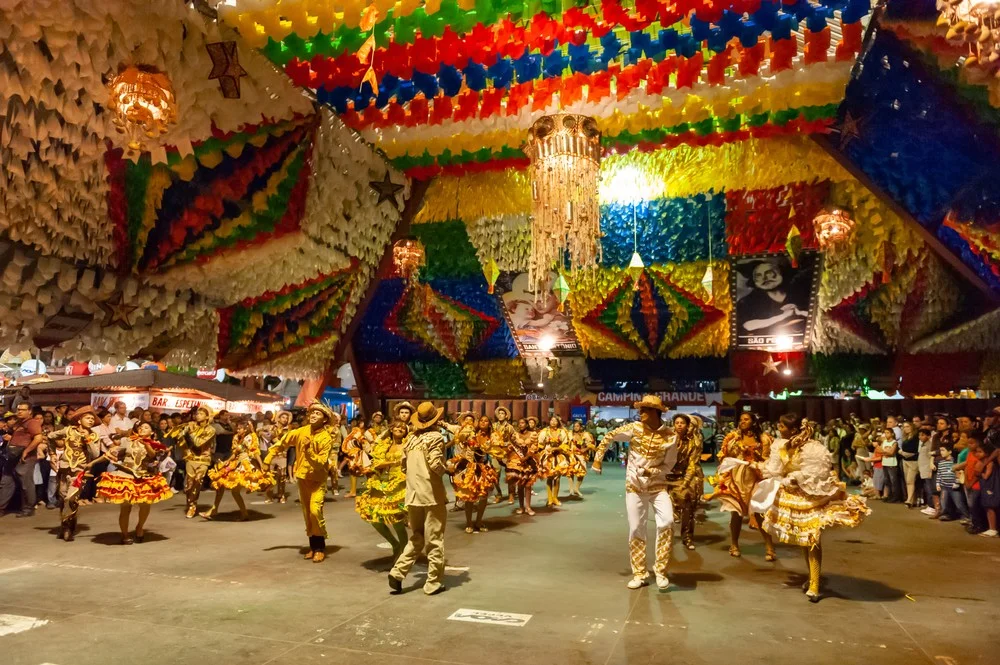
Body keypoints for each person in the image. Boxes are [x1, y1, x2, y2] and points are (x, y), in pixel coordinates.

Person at [758, 414, 869, 602]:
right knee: (805, 539)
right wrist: (762, 469)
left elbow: (815, 473)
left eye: (782, 426)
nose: (779, 428)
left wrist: (794, 478)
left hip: (811, 497)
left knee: (813, 538)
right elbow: (775, 469)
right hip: (792, 497)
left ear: (793, 430)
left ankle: (815, 584)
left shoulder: (812, 448)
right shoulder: (781, 445)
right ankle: (812, 578)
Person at [592, 395, 678, 591]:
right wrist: (598, 459)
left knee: (667, 522)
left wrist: (653, 472)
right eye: (641, 409)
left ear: (655, 412)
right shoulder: (634, 428)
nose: (640, 413)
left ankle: (661, 570)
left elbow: (669, 465)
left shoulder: (670, 436)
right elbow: (609, 436)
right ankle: (639, 573)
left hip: (658, 487)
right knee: (636, 528)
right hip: (635, 487)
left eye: (645, 409)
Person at [263, 401, 338, 562]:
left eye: (318, 414)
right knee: (307, 513)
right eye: (313, 413)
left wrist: (309, 450)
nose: (314, 416)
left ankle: (320, 547)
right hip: (302, 477)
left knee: (315, 511)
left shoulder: (326, 438)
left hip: (318, 479)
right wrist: (268, 458)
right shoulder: (300, 431)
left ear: (324, 419)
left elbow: (320, 462)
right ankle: (313, 547)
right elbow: (282, 443)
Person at [388, 402, 448, 596]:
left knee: (417, 537)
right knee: (435, 539)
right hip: (431, 494)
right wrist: (450, 469)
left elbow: (404, 466)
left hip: (412, 494)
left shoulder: (411, 439)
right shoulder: (436, 438)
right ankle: (433, 583)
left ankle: (398, 573)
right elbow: (435, 464)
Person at [704, 411, 776, 560]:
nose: (742, 422)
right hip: (736, 479)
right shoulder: (733, 438)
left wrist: (755, 456)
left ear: (753, 422)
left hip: (756, 478)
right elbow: (725, 456)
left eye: (746, 419)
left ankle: (769, 547)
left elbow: (769, 460)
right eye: (741, 419)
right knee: (736, 514)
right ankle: (734, 544)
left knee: (759, 513)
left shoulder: (764, 439)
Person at [96, 422, 174, 544]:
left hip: (145, 475)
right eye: (141, 427)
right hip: (126, 474)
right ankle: (125, 534)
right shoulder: (127, 440)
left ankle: (139, 527)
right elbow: (115, 450)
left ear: (152, 432)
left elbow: (153, 456)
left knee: (145, 504)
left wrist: (146, 444)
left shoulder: (156, 444)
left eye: (146, 427)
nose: (142, 429)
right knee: (125, 507)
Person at [46, 406, 102, 541]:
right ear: (79, 420)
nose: (90, 420)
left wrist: (88, 439)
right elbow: (50, 436)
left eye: (92, 418)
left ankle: (67, 527)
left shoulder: (94, 435)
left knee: (70, 498)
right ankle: (66, 523)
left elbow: (95, 454)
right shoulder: (68, 430)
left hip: (80, 471)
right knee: (62, 497)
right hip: (65, 468)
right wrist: (52, 453)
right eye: (87, 418)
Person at [357, 419, 409, 561]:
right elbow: (376, 463)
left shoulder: (408, 445)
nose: (399, 429)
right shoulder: (383, 445)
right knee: (375, 519)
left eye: (403, 428)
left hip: (399, 485)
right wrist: (390, 463)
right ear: (391, 429)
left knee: (397, 521)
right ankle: (395, 544)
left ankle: (404, 555)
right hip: (380, 484)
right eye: (397, 427)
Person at [201, 419, 272, 521]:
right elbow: (235, 453)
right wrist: (227, 461)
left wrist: (262, 465)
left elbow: (255, 452)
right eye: (237, 428)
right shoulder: (236, 437)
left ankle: (243, 513)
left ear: (245, 429)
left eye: (240, 429)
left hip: (244, 465)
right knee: (220, 484)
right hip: (235, 463)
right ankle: (215, 509)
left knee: (235, 491)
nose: (238, 430)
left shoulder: (250, 437)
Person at [449, 415, 498, 533]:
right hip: (470, 467)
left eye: (486, 421)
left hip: (484, 467)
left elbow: (497, 448)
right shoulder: (471, 433)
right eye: (481, 420)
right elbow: (459, 438)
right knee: (469, 497)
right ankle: (469, 522)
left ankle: (479, 521)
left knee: (484, 496)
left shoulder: (493, 436)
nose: (483, 422)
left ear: (489, 424)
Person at [665, 414, 703, 551]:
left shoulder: (693, 441)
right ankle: (666, 538)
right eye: (677, 422)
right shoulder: (667, 437)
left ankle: (687, 537)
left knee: (688, 504)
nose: (679, 425)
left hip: (683, 476)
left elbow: (692, 464)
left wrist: (686, 483)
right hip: (664, 477)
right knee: (666, 511)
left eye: (682, 423)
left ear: (687, 426)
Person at [0, 402, 44, 517]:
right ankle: (1, 508)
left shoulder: (32, 422)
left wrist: (27, 451)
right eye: (19, 409)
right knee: (6, 481)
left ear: (29, 411)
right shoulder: (20, 423)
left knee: (26, 483)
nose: (19, 411)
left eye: (23, 410)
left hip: (26, 457)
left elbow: (38, 438)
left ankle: (28, 508)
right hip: (13, 455)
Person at [176, 406, 217, 518]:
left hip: (203, 459)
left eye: (201, 414)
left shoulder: (211, 430)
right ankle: (190, 503)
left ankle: (192, 506)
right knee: (190, 484)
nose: (197, 415)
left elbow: (198, 443)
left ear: (207, 417)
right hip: (191, 458)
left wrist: (190, 431)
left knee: (198, 480)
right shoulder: (191, 425)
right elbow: (180, 439)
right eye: (197, 413)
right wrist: (182, 432)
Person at [506, 417, 539, 516]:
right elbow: (511, 446)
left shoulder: (533, 434)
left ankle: (528, 507)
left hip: (529, 461)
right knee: (520, 485)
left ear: (527, 424)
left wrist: (526, 457)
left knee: (528, 485)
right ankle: (521, 507)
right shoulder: (515, 435)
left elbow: (534, 447)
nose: (520, 424)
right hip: (518, 462)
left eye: (522, 423)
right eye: (519, 423)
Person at [538, 415, 571, 507]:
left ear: (558, 422)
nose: (553, 422)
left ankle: (555, 498)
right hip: (548, 456)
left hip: (559, 456)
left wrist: (556, 448)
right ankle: (549, 499)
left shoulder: (562, 432)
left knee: (557, 478)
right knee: (549, 477)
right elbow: (540, 444)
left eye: (555, 421)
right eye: (551, 420)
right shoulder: (544, 432)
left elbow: (565, 444)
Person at [265, 411, 293, 503]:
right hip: (272, 454)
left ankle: (282, 495)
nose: (285, 419)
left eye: (286, 418)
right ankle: (269, 496)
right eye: (283, 417)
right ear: (279, 418)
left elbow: (288, 441)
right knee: (270, 476)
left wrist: (284, 448)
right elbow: (269, 437)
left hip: (282, 455)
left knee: (282, 476)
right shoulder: (272, 427)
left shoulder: (288, 429)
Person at [489, 406, 514, 504]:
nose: (500, 415)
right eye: (499, 413)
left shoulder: (510, 427)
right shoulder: (493, 426)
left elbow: (513, 439)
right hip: (495, 452)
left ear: (506, 415)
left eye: (502, 413)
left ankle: (511, 494)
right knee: (495, 474)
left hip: (507, 452)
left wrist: (507, 445)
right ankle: (498, 494)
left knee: (510, 474)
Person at [340, 416, 367, 498]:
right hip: (353, 453)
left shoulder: (359, 431)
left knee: (364, 471)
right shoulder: (355, 430)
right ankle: (353, 491)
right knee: (353, 472)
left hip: (357, 453)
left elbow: (360, 440)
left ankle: (355, 491)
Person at [567, 420, 594, 499]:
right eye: (574, 426)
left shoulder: (585, 434)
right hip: (571, 454)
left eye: (577, 426)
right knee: (570, 471)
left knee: (582, 472)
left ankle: (576, 488)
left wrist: (584, 449)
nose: (576, 427)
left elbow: (590, 444)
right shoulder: (569, 434)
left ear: (581, 427)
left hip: (581, 455)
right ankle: (571, 489)